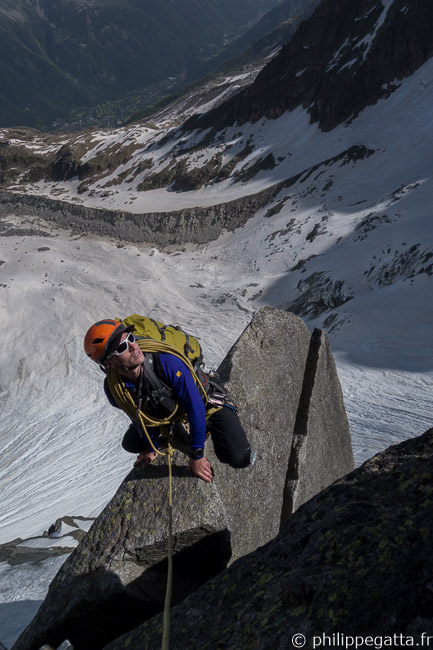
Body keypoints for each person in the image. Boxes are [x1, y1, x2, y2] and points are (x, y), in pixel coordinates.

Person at [84, 318, 253, 482]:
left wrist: (197, 455)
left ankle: (202, 428)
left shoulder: (166, 362)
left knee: (239, 457)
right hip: (164, 408)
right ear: (109, 363)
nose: (132, 346)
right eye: (122, 347)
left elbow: (195, 407)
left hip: (203, 400)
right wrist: (151, 448)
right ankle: (173, 426)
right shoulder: (115, 389)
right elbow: (137, 417)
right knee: (131, 444)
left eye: (130, 337)